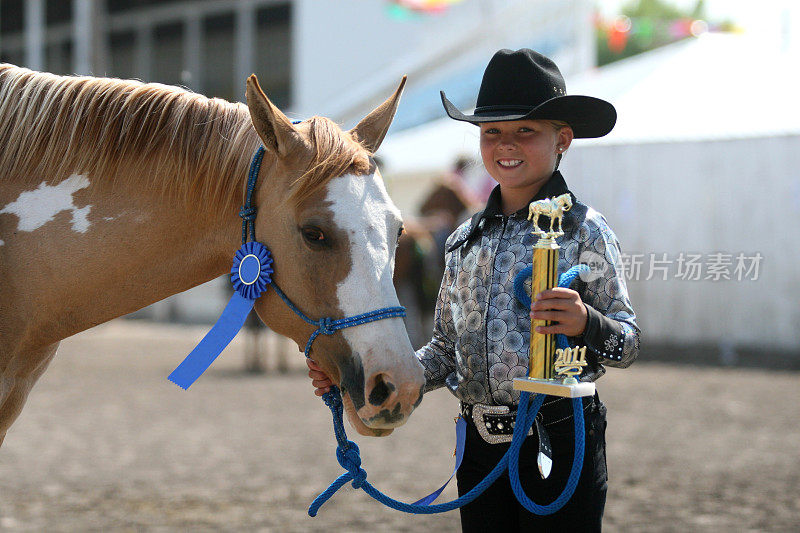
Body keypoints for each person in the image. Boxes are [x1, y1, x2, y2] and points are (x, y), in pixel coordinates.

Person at [307, 48, 640, 532]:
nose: (507, 143)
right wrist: (358, 378)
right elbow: (445, 349)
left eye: (525, 129)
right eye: (492, 132)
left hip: (562, 440)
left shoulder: (585, 231)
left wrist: (587, 322)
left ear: (562, 138)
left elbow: (627, 344)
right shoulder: (464, 242)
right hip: (479, 450)